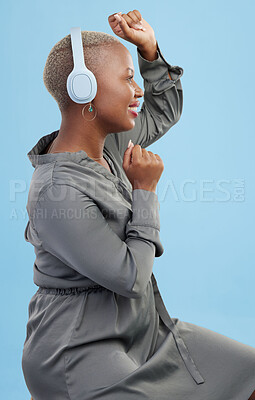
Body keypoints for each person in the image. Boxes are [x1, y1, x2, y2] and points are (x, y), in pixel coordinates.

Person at [22, 9, 255, 400]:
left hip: (146, 333)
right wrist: (144, 192)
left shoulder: (107, 148)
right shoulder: (53, 192)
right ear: (85, 90)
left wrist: (149, 52)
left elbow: (164, 111)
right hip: (80, 350)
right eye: (128, 78)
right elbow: (130, 277)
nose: (138, 89)